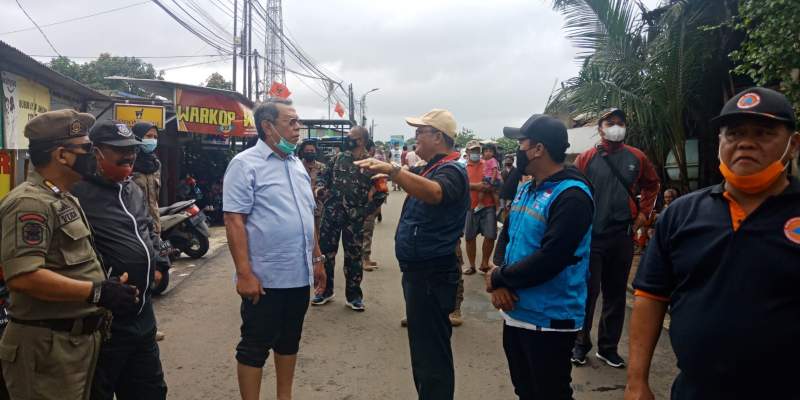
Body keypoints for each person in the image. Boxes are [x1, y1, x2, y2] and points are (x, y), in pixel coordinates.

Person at [625, 87, 800, 400]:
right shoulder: (681, 214)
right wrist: (636, 382)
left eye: (763, 133)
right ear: (720, 143)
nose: (746, 142)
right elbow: (651, 296)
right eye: (734, 133)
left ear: (794, 144)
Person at [0, 110, 139, 400]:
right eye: (87, 149)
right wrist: (96, 292)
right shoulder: (30, 203)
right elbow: (24, 277)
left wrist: (108, 289)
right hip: (46, 349)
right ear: (62, 156)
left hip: (74, 346)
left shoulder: (63, 197)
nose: (94, 155)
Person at [356, 108, 468, 400]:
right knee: (423, 349)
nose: (415, 137)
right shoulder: (431, 166)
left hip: (433, 273)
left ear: (439, 137)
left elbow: (435, 193)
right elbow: (413, 179)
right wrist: (385, 168)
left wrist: (393, 170)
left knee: (432, 353)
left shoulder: (452, 170)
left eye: (421, 132)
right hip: (421, 273)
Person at [223, 99, 326, 400]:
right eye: (291, 122)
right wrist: (244, 273)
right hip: (265, 279)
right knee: (255, 345)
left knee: (289, 341)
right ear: (268, 127)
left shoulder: (296, 165)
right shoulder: (245, 164)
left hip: (299, 275)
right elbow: (234, 220)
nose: (298, 128)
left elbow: (308, 216)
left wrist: (317, 258)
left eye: (298, 122)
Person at [487, 114, 594, 400]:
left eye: (522, 142)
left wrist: (498, 277)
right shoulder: (527, 188)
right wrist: (498, 276)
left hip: (550, 319)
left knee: (550, 394)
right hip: (516, 312)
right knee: (525, 390)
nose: (517, 150)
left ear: (538, 149)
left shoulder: (572, 196)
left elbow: (552, 258)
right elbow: (507, 234)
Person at [71, 121, 168, 399]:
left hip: (143, 316)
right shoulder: (77, 194)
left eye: (132, 151)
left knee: (150, 391)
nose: (129, 157)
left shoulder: (131, 188)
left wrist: (160, 263)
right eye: (119, 151)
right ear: (97, 153)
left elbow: (148, 227)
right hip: (105, 321)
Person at [571, 107, 660, 368]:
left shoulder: (637, 157)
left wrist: (644, 213)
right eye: (611, 122)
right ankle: (580, 344)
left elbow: (652, 184)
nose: (616, 126)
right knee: (587, 293)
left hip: (622, 235)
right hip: (591, 237)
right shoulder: (586, 158)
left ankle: (608, 348)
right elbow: (574, 191)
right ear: (600, 128)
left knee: (616, 294)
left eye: (620, 123)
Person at [313, 127, 380, 311]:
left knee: (354, 257)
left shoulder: (372, 165)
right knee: (326, 253)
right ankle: (324, 291)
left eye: (351, 138)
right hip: (332, 214)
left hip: (354, 219)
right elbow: (322, 177)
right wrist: (320, 190)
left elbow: (381, 192)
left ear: (361, 141)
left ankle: (354, 297)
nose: (347, 140)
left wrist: (366, 211)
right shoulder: (338, 158)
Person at [131, 122, 168, 342]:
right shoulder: (128, 163)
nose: (151, 140)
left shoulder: (155, 164)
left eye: (154, 136)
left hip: (153, 227)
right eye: (147, 135)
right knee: (136, 279)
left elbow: (154, 199)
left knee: (151, 279)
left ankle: (149, 327)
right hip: (133, 228)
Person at [463, 140, 498, 275]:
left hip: (488, 205)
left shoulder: (488, 164)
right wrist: (476, 186)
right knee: (469, 238)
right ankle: (472, 266)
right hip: (470, 207)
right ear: (467, 153)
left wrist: (491, 186)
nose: (476, 153)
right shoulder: (463, 168)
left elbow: (495, 181)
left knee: (490, 236)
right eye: (473, 151)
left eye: (478, 151)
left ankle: (484, 263)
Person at [362, 143, 389, 272]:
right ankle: (364, 259)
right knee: (366, 230)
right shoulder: (367, 163)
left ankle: (366, 257)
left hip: (371, 203)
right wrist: (372, 192)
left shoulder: (370, 162)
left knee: (368, 230)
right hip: (367, 202)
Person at [298, 140, 327, 230]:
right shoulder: (296, 166)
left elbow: (326, 185)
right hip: (301, 207)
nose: (309, 153)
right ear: (302, 152)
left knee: (318, 234)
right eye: (307, 151)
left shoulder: (322, 167)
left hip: (318, 207)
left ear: (316, 152)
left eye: (312, 151)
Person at [475, 143, 502, 210]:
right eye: (486, 151)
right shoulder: (484, 160)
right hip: (487, 178)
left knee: (488, 191)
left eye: (490, 151)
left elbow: (495, 170)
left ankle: (497, 206)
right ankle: (497, 207)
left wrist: (492, 180)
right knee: (493, 193)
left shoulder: (492, 160)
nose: (488, 153)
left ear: (493, 153)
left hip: (491, 178)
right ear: (483, 152)